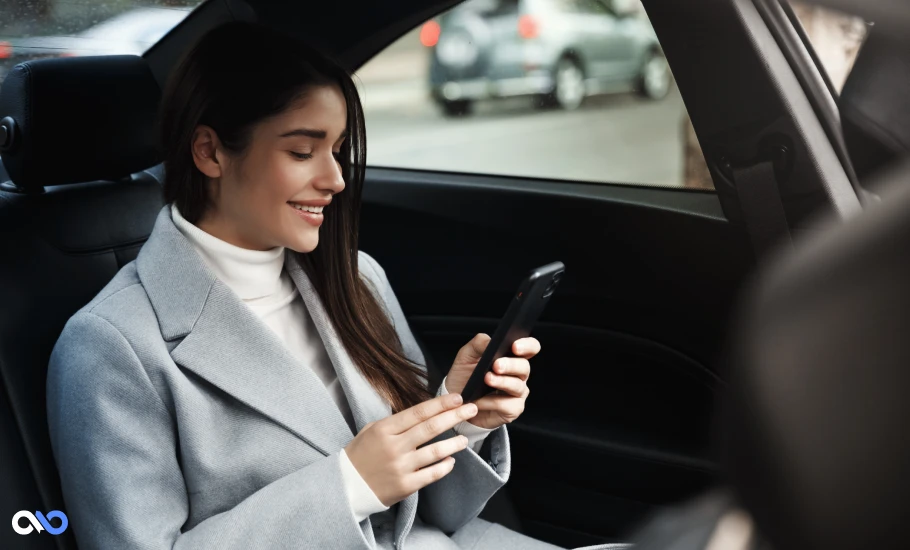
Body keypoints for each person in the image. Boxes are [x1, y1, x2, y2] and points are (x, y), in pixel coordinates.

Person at [45, 21, 623, 550]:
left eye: (338, 150)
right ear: (210, 151)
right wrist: (347, 485)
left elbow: (435, 514)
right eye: (302, 151)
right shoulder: (110, 345)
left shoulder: (357, 278)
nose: (335, 178)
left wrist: (463, 417)